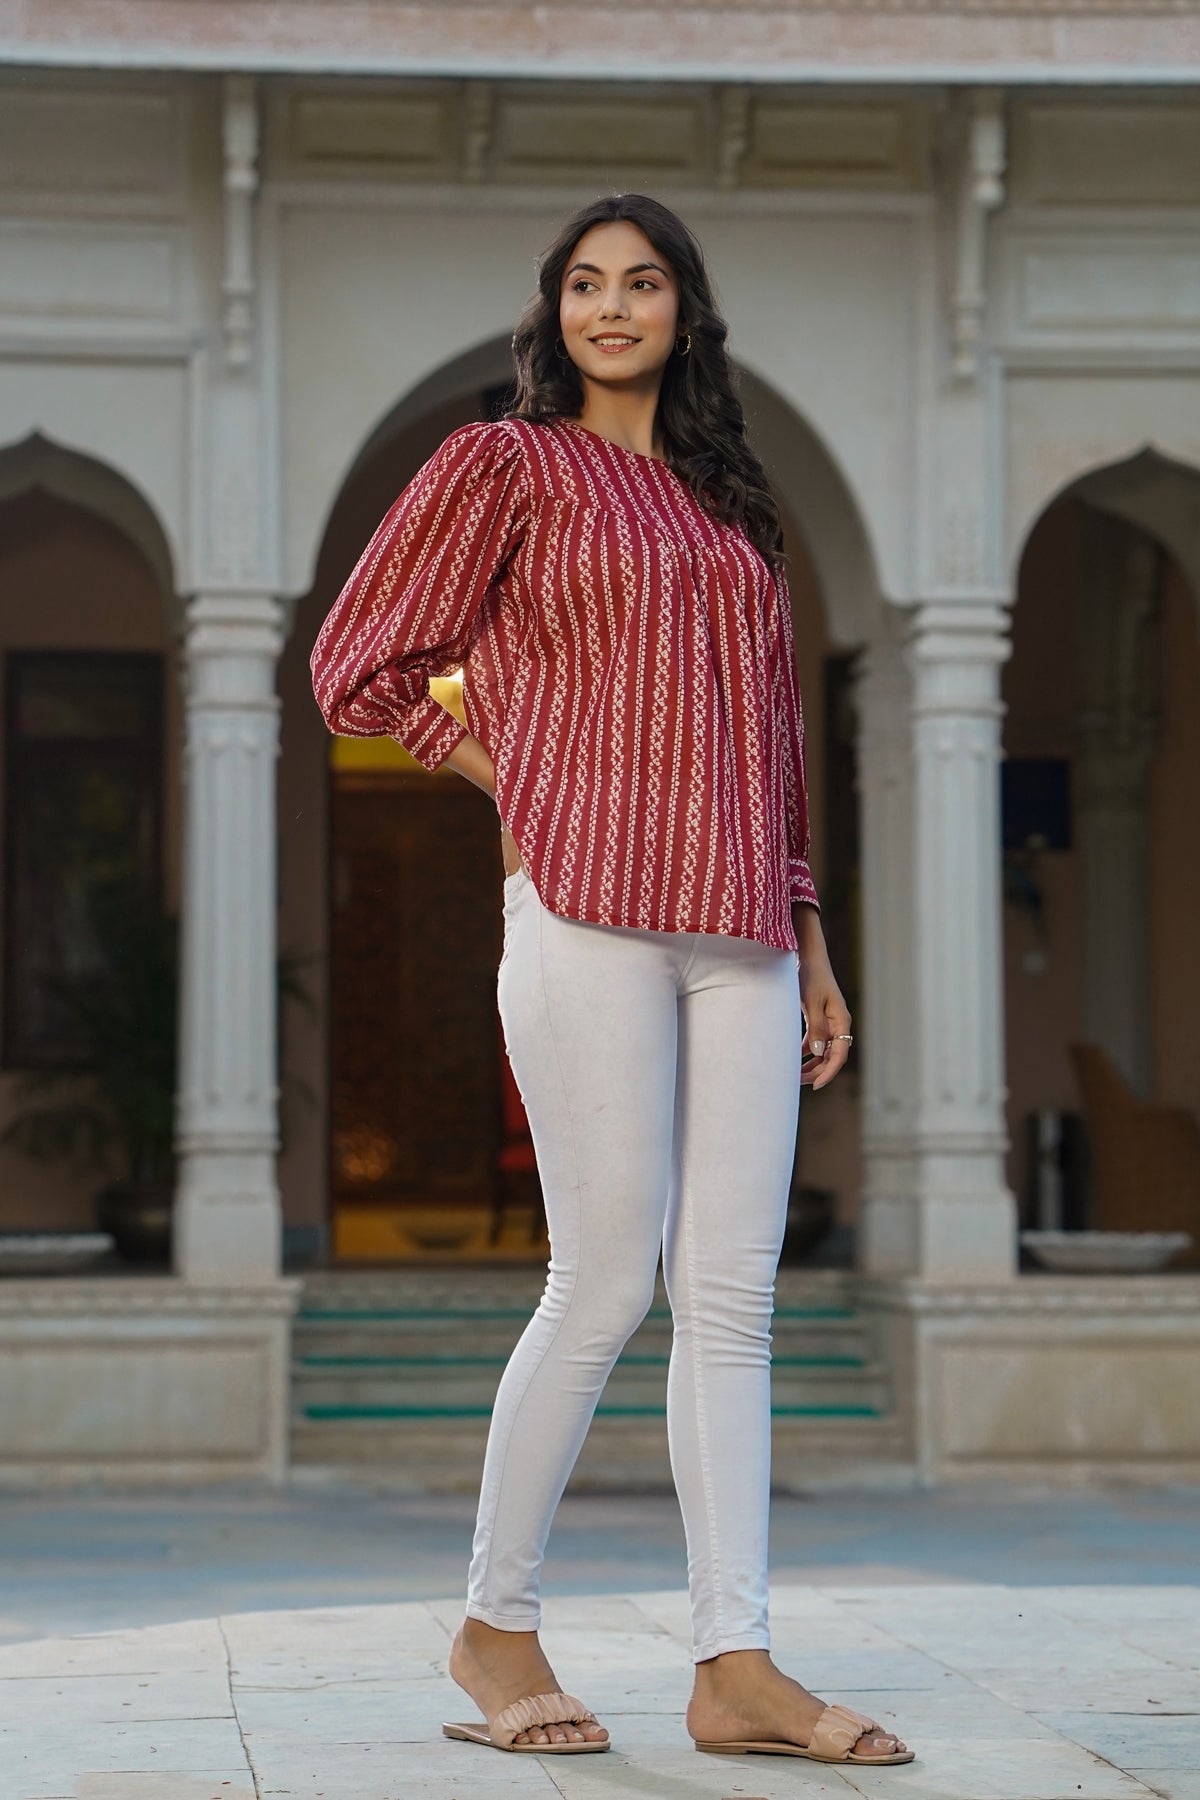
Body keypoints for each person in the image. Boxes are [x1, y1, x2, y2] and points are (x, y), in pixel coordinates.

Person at [310, 192, 911, 1769]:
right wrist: (510, 774)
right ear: (556, 314)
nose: (613, 306)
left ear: (685, 314)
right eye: (585, 283)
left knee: (733, 1300)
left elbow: (773, 759)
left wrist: (817, 944)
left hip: (747, 938)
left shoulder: (734, 512)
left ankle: (736, 1663)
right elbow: (354, 663)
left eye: (643, 282)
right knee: (604, 1284)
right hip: (586, 913)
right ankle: (493, 1624)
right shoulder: (504, 465)